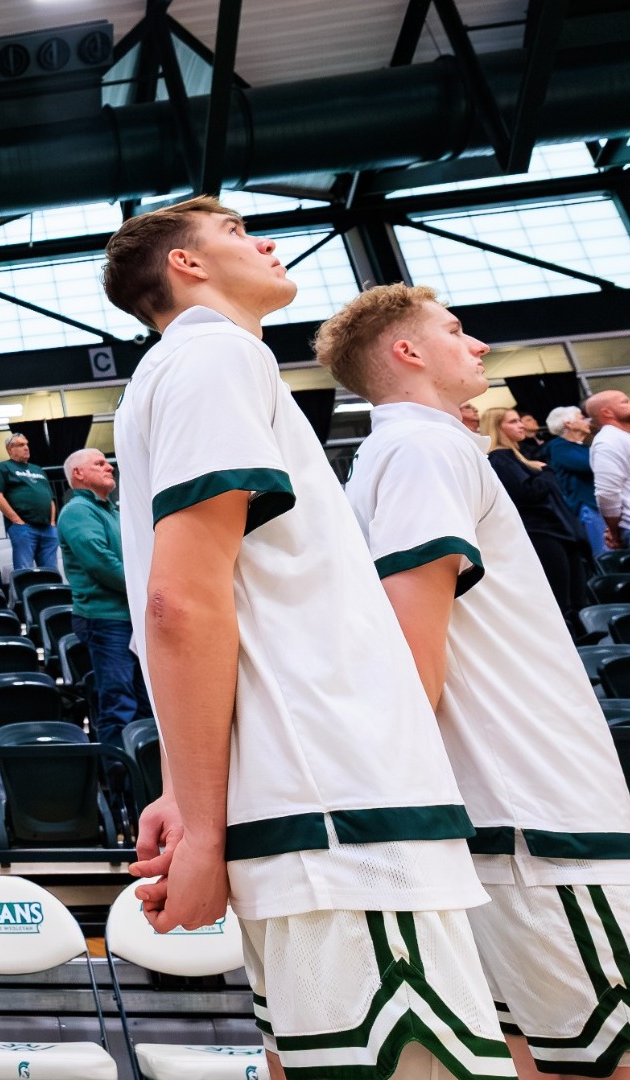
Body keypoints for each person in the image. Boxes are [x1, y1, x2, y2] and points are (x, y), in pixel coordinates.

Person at [101, 197, 504, 1078]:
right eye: (239, 232)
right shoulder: (212, 359)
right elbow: (180, 603)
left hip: (317, 807)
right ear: (187, 266)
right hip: (339, 809)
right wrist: (204, 829)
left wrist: (182, 788)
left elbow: (207, 604)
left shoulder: (188, 372)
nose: (269, 240)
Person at [320, 283, 630, 1080]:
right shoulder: (425, 447)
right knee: (605, 1057)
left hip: (506, 813)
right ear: (408, 352)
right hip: (538, 809)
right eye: (457, 331)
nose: (480, 346)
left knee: (538, 1055)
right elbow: (413, 646)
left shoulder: (391, 452)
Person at [54, 447, 146, 782]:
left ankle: (148, 775)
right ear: (78, 473)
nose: (110, 466)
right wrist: (143, 588)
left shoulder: (109, 510)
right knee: (119, 700)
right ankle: (122, 782)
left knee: (143, 701)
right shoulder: (77, 510)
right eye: (99, 463)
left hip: (128, 617)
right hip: (107, 619)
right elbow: (99, 561)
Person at [482, 407, 589, 632]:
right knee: (563, 602)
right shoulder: (500, 458)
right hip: (542, 533)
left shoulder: (516, 457)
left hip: (554, 531)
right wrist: (547, 473)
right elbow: (527, 494)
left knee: (576, 600)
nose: (521, 425)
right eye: (513, 422)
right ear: (498, 428)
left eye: (520, 420)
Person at [542, 405, 607, 557]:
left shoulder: (581, 447)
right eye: (582, 418)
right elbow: (591, 464)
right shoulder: (558, 447)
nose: (588, 421)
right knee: (604, 554)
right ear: (568, 424)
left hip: (597, 505)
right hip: (587, 507)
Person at [0, 432, 57, 572]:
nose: (26, 448)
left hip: (47, 528)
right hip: (23, 528)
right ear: (10, 448)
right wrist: (17, 521)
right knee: (25, 572)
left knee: (52, 572)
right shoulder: (3, 468)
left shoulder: (38, 469)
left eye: (27, 444)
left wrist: (52, 523)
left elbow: (50, 498)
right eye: (21, 445)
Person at [587, 389, 630, 551]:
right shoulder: (608, 442)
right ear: (607, 412)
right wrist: (614, 530)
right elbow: (607, 494)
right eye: (625, 402)